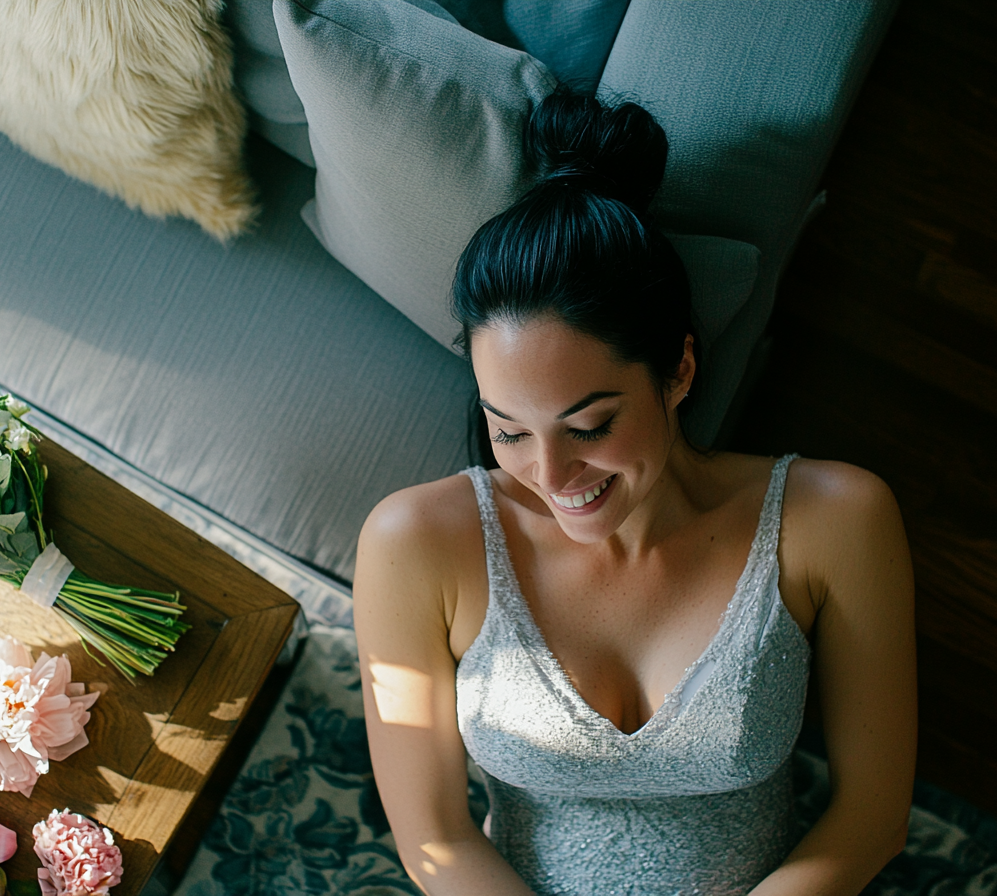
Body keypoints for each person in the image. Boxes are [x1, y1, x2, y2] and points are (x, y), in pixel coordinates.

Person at [353, 86, 916, 896]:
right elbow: (434, 840)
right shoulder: (414, 544)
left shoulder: (834, 522)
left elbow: (871, 819)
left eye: (587, 428)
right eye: (509, 431)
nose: (550, 477)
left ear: (678, 370)